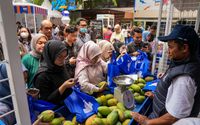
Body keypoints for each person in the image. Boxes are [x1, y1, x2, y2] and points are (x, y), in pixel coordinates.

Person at [131, 25, 200, 125]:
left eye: (171, 47)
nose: (168, 51)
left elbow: (173, 117)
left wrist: (147, 122)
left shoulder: (184, 79)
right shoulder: (182, 63)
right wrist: (158, 97)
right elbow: (175, 97)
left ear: (184, 48)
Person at [33, 40, 75, 106]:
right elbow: (46, 101)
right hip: (54, 111)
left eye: (65, 56)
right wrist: (63, 86)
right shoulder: (42, 76)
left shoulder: (60, 66)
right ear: (51, 55)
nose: (63, 60)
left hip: (69, 104)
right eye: (60, 57)